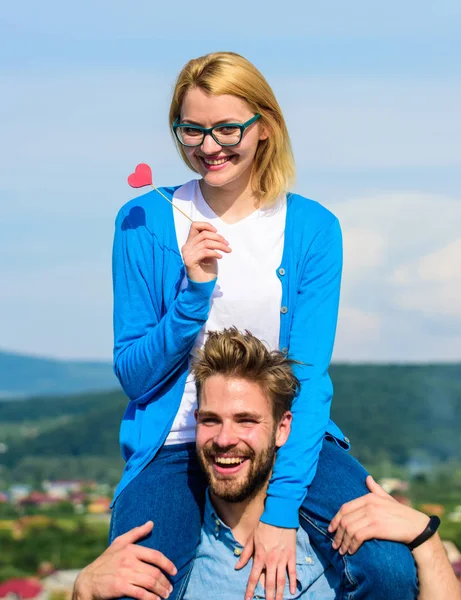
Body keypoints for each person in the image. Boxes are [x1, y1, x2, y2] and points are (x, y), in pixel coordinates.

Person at [110, 51, 418, 600]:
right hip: (178, 441)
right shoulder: (143, 222)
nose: (208, 147)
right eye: (192, 130)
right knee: (136, 585)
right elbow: (135, 376)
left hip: (286, 437)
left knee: (389, 571)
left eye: (227, 128)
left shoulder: (313, 228)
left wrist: (280, 512)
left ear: (265, 127)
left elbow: (309, 375)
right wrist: (193, 295)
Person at [76, 330, 461, 600]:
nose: (225, 439)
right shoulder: (171, 561)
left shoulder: (340, 550)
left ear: (282, 429)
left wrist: (426, 541)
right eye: (211, 420)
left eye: (246, 420)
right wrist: (83, 591)